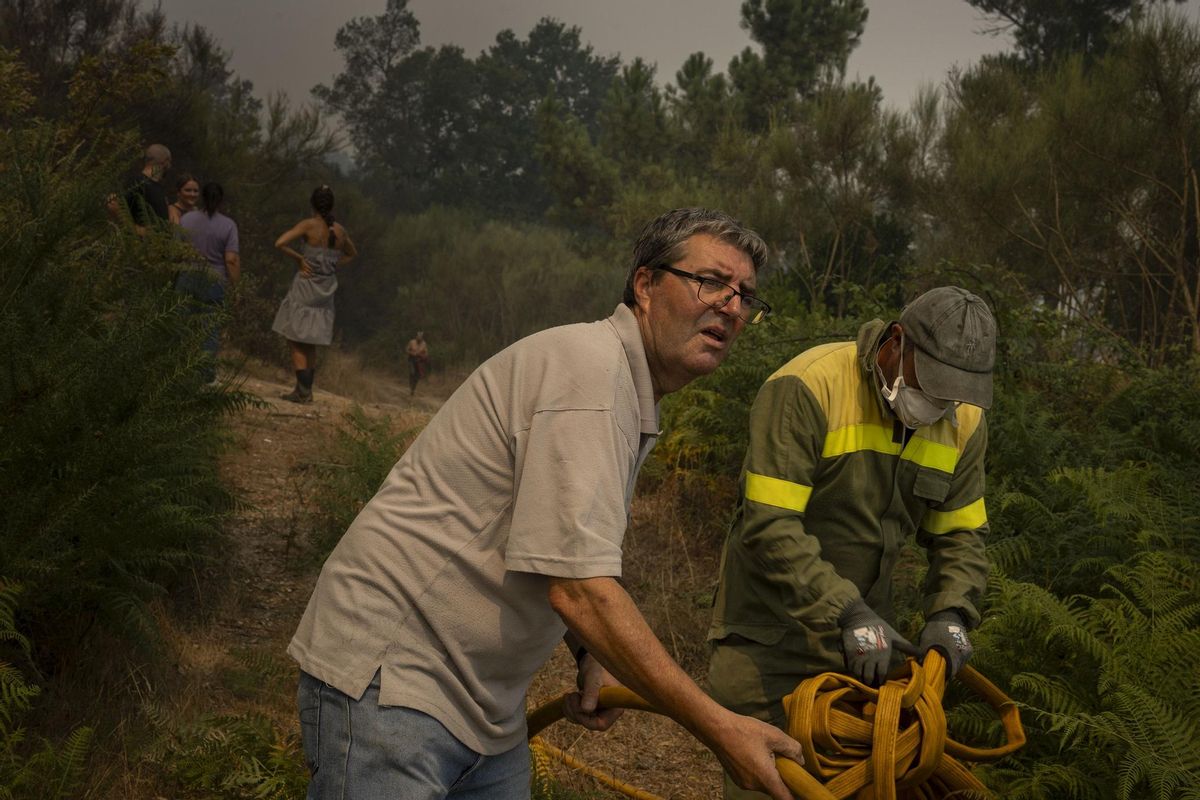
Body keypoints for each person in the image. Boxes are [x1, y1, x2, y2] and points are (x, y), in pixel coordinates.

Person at [288, 208, 804, 800]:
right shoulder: (589, 376)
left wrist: (588, 650)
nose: (732, 307)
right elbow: (580, 588)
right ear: (645, 284)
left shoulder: (625, 390)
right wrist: (721, 728)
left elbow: (554, 544)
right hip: (397, 684)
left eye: (745, 295)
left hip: (482, 710)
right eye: (710, 281)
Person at [706, 285, 996, 799]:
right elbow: (769, 524)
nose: (938, 404)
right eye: (931, 385)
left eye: (952, 393)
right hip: (768, 644)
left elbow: (961, 532)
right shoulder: (809, 384)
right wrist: (847, 612)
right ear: (896, 342)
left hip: (864, 654)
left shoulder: (964, 420)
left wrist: (952, 612)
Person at [272, 185, 356, 404]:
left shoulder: (308, 225)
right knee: (310, 341)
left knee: (294, 337)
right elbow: (352, 253)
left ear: (312, 204)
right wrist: (332, 265)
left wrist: (299, 259)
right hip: (325, 290)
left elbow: (280, 242)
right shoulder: (339, 230)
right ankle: (306, 390)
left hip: (305, 287)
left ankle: (302, 390)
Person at [177, 182, 240, 383]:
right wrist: (235, 287)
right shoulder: (228, 225)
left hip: (187, 275)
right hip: (215, 280)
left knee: (181, 326)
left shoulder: (187, 219)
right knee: (209, 329)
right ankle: (206, 376)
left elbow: (177, 249)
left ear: (202, 197)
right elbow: (230, 259)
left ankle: (177, 371)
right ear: (221, 200)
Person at [122, 144, 172, 234]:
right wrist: (138, 230)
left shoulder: (158, 188)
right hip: (140, 246)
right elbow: (114, 206)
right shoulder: (137, 183)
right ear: (165, 162)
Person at [406, 330, 429, 396]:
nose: (419, 338)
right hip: (411, 359)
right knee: (412, 373)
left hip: (419, 361)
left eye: (420, 337)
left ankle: (413, 389)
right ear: (416, 336)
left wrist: (423, 356)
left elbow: (426, 353)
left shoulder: (424, 344)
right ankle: (411, 387)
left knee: (417, 375)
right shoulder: (412, 342)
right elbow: (407, 350)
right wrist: (412, 353)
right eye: (418, 337)